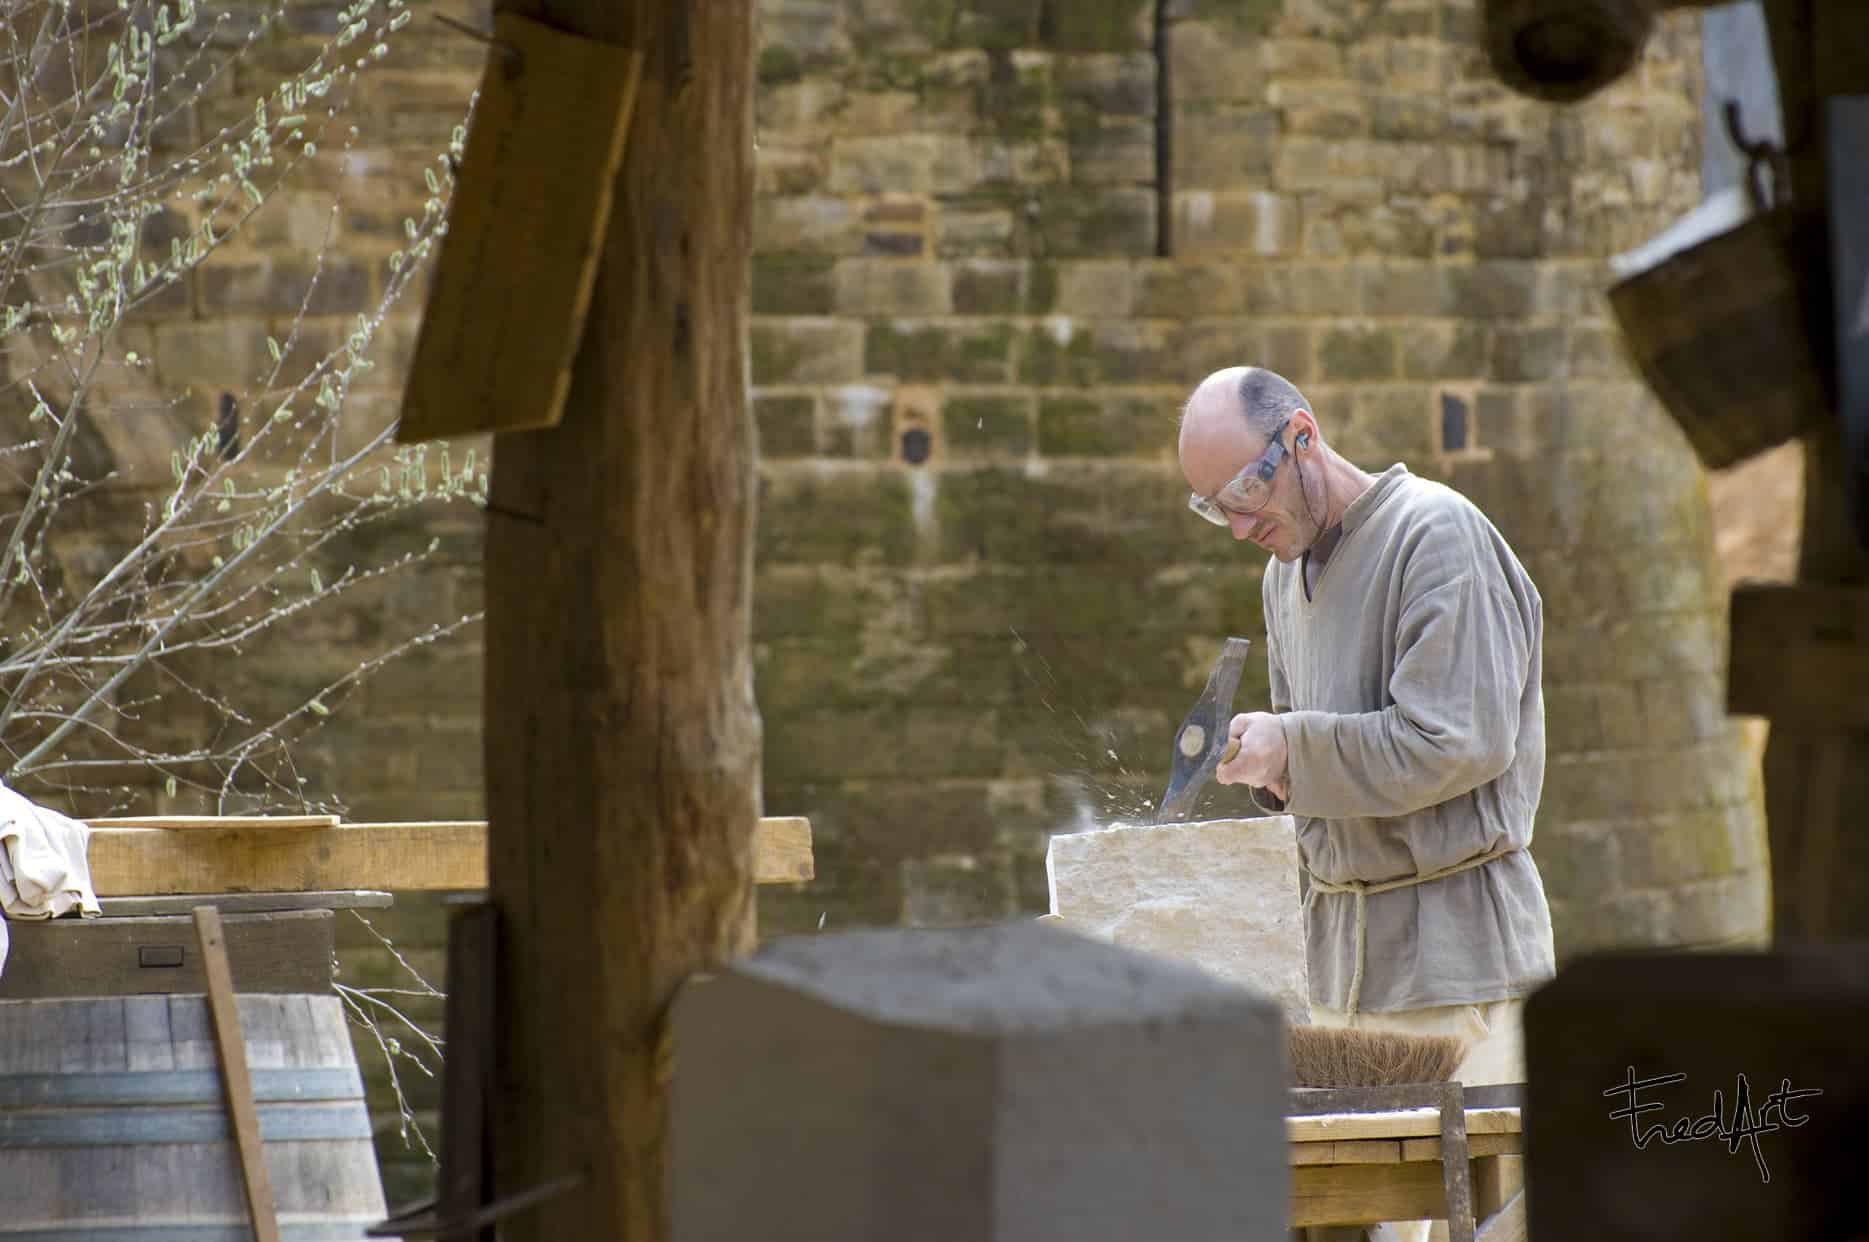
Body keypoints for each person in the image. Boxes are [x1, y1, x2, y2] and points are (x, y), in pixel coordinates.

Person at [1184, 366, 1554, 1240]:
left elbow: (1456, 740)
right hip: (1346, 973)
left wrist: (1296, 748)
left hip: (1456, 965)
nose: (1237, 524)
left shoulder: (1436, 536)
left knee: (1488, 1227)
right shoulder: (1284, 575)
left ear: (1301, 437)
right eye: (1212, 507)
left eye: (1244, 490)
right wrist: (1269, 764)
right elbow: (1315, 767)